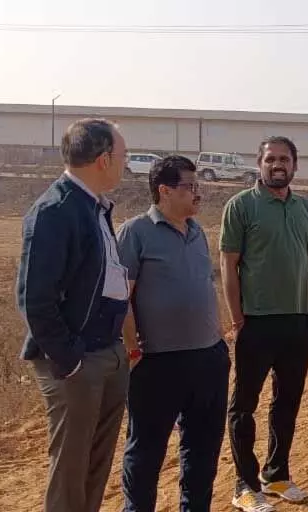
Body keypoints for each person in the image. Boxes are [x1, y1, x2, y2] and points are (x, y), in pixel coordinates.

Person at [16, 118, 130, 512]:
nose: (126, 163)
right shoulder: (55, 210)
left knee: (94, 469)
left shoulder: (94, 207)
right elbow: (35, 299)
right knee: (71, 473)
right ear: (103, 159)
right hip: (77, 362)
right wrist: (69, 359)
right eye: (123, 155)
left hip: (106, 352)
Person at [117, 155, 230, 512]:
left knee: (202, 453)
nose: (198, 193)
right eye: (189, 186)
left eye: (198, 185)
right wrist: (133, 350)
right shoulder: (135, 232)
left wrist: (219, 340)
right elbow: (121, 298)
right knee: (146, 453)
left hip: (208, 361)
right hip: (157, 365)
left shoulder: (197, 232)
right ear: (164, 190)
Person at [221, 136, 308, 512]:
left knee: (287, 402)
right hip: (256, 322)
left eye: (284, 159)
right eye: (271, 159)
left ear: (294, 164)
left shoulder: (303, 208)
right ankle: (245, 485)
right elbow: (228, 264)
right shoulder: (241, 206)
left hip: (297, 322)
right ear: (259, 163)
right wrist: (237, 319)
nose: (278, 165)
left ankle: (276, 474)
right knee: (243, 406)